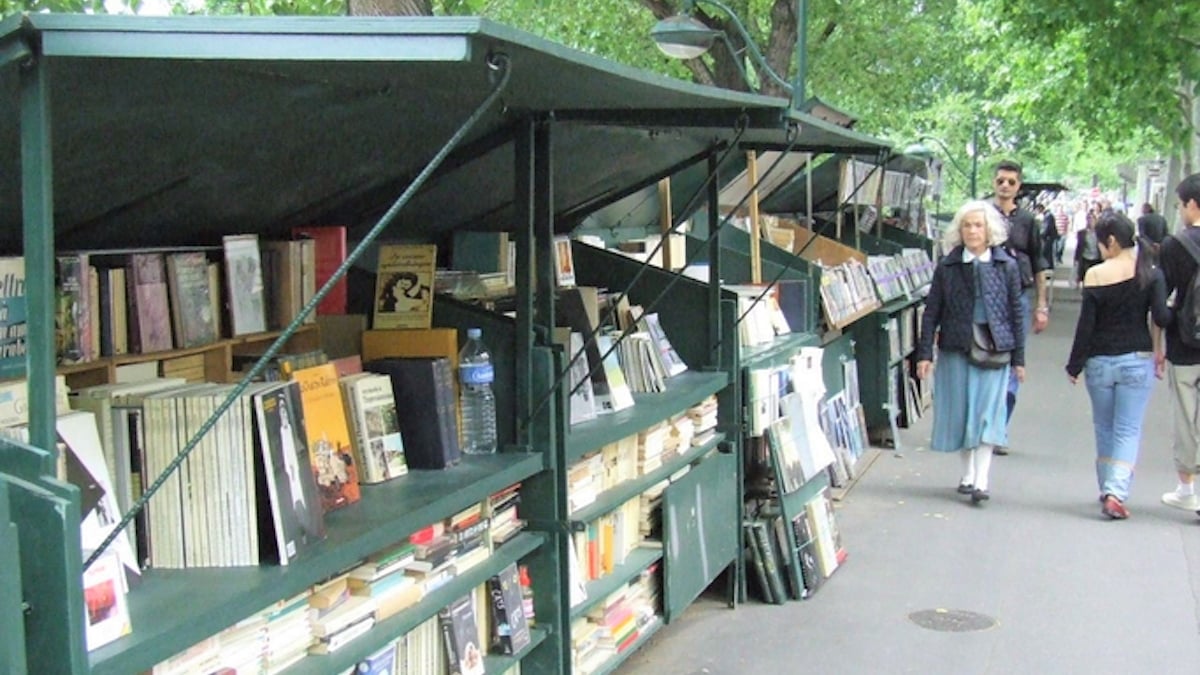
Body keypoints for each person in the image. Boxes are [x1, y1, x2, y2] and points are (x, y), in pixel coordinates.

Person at [916, 200, 1025, 503]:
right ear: (959, 230)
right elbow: (932, 311)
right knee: (963, 412)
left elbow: (1016, 312)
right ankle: (966, 475)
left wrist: (1019, 359)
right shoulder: (948, 266)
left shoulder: (1007, 266)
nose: (973, 231)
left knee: (987, 414)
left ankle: (982, 479)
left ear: (989, 230)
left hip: (994, 348)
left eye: (978, 225)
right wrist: (925, 354)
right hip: (956, 346)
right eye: (967, 225)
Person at [1065, 211, 1169, 519]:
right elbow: (1161, 317)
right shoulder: (1150, 272)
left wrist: (1075, 364)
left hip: (1099, 361)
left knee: (1104, 426)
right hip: (1137, 359)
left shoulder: (1095, 274)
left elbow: (1086, 326)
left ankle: (1106, 486)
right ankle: (1116, 492)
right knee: (1128, 428)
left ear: (1110, 241)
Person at [990, 160, 1048, 455]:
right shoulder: (982, 215)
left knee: (1015, 357)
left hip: (1020, 294)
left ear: (1018, 187)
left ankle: (1000, 426)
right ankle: (985, 424)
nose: (1005, 186)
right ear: (993, 183)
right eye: (1000, 180)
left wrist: (1042, 305)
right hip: (988, 295)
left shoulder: (1028, 222)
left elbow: (1039, 265)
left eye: (1011, 182)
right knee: (986, 355)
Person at [1158, 173, 1200, 513]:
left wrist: (1159, 337)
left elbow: (1162, 299)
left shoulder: (1175, 245)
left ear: (1191, 205)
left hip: (1185, 343)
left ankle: (1187, 488)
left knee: (1187, 417)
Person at [1075, 218, 1102, 286]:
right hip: (1086, 257)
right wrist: (1076, 258)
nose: (1091, 222)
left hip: (1097, 258)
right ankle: (1086, 289)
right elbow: (1079, 246)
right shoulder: (1082, 233)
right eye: (1089, 221)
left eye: (1093, 221)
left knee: (1095, 276)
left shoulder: (1099, 233)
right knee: (1086, 276)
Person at [1035, 203, 1058, 273]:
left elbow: (1046, 227)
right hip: (1050, 236)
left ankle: (1048, 265)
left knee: (1046, 251)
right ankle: (1049, 265)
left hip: (1048, 237)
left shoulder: (1048, 216)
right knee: (1048, 251)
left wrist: (1042, 235)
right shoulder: (1048, 215)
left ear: (1040, 209)